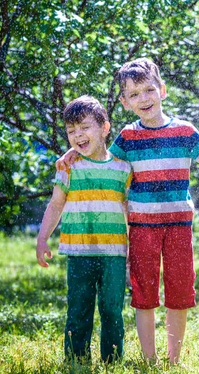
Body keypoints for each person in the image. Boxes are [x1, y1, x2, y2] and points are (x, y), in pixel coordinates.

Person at [58, 58, 199, 365]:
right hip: (141, 227)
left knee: (179, 291)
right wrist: (74, 151)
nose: (144, 98)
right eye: (134, 94)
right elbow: (101, 158)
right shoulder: (127, 137)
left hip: (179, 225)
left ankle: (174, 359)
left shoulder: (185, 132)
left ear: (162, 90)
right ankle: (150, 360)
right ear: (125, 102)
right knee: (144, 293)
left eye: (149, 90)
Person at [36, 96, 132, 365]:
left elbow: (128, 212)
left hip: (114, 254)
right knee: (78, 309)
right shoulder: (68, 167)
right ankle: (76, 361)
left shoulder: (123, 169)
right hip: (78, 252)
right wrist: (43, 238)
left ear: (105, 128)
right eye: (71, 131)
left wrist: (131, 252)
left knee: (112, 309)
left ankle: (113, 361)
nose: (77, 135)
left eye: (84, 128)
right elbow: (55, 205)